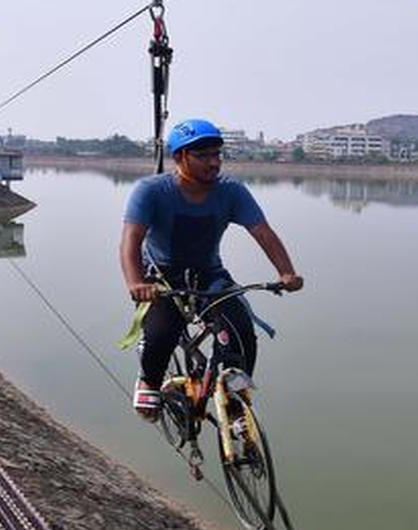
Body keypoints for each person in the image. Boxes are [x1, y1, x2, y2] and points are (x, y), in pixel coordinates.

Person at [120, 118, 303, 421]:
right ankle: (149, 380)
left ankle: (236, 398)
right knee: (161, 332)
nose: (213, 162)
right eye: (203, 155)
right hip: (162, 277)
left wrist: (287, 273)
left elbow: (263, 233)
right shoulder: (151, 190)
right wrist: (136, 282)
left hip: (210, 274)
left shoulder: (231, 191)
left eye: (217, 154)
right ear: (180, 157)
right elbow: (130, 240)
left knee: (242, 329)